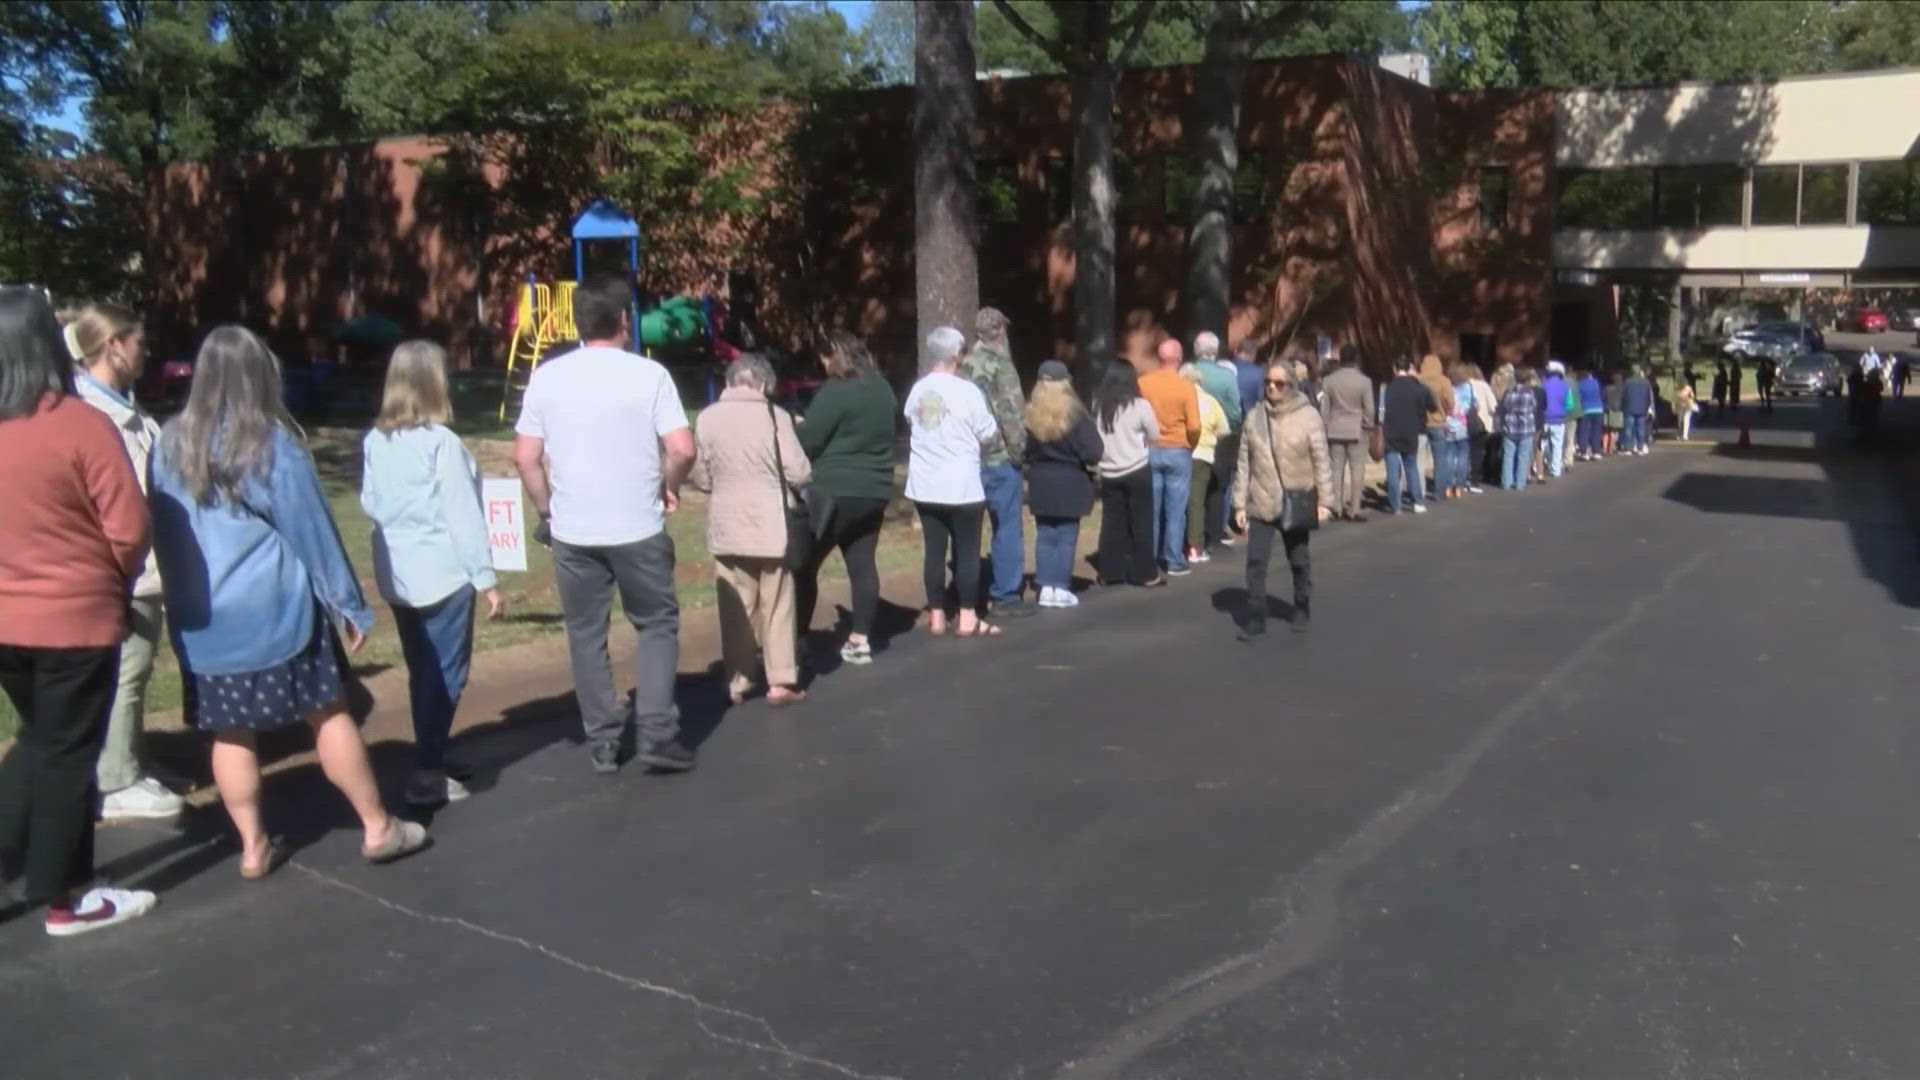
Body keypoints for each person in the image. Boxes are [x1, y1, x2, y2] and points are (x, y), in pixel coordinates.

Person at [151, 325, 429, 881]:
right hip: (275, 611)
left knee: (229, 732)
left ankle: (253, 847)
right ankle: (377, 826)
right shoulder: (269, 443)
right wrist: (348, 603)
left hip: (204, 618)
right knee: (327, 711)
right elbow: (312, 530)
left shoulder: (168, 441)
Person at [0, 288, 156, 935]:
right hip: (76, 621)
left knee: (38, 742)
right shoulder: (82, 425)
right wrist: (109, 579)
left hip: (8, 624)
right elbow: (129, 530)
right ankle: (69, 896)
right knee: (66, 757)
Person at [513, 272, 696, 775]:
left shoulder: (548, 376)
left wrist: (547, 511)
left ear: (576, 324)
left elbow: (525, 457)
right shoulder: (648, 375)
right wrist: (669, 484)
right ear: (624, 321)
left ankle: (603, 740)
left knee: (586, 633)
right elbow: (682, 448)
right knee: (656, 625)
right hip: (637, 521)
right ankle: (658, 732)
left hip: (574, 528)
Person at [360, 340, 503, 808]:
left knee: (423, 669)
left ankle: (433, 751)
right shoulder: (442, 444)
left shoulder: (374, 441)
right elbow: (462, 514)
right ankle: (426, 771)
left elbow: (370, 504)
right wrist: (486, 578)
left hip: (398, 574)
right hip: (442, 573)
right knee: (446, 672)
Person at [63, 302, 185, 822]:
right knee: (125, 674)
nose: (146, 352)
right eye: (139, 342)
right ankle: (116, 782)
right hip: (123, 572)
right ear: (113, 344)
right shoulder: (98, 415)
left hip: (141, 568)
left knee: (134, 670)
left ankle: (131, 761)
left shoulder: (121, 407)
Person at [689, 355, 812, 706]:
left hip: (727, 522)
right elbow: (799, 471)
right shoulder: (777, 417)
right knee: (777, 604)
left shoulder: (707, 418)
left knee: (736, 606)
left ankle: (738, 680)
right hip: (771, 522)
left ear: (730, 382)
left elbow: (700, 474)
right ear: (763, 385)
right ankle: (781, 680)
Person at [795, 331, 896, 667]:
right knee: (862, 562)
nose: (823, 367)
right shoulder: (883, 388)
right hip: (876, 488)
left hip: (834, 489)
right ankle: (861, 639)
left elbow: (809, 440)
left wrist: (797, 426)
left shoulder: (836, 390)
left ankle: (798, 638)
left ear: (834, 357)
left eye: (824, 360)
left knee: (804, 564)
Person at [905, 326, 1002, 637]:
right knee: (967, 550)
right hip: (961, 484)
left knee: (934, 550)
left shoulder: (918, 390)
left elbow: (911, 419)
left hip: (925, 483)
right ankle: (967, 614)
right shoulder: (967, 391)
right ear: (956, 356)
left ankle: (936, 614)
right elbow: (988, 432)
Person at [1232, 359, 1333, 640]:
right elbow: (1244, 462)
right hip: (1262, 499)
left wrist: (1325, 501)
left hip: (1296, 499)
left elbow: (1321, 461)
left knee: (1298, 559)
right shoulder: (1255, 417)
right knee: (1255, 562)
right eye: (1268, 383)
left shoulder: (1308, 416)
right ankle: (1256, 614)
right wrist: (1240, 503)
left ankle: (1302, 603)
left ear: (1291, 386)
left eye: (1278, 384)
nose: (1272, 388)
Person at [958, 307, 1032, 618]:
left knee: (966, 530)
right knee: (1006, 527)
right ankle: (1006, 594)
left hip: (967, 459)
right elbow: (1011, 415)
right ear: (1000, 331)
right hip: (999, 458)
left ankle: (965, 594)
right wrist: (1020, 454)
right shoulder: (1001, 366)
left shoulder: (963, 366)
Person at [1024, 361, 1103, 608]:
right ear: (1065, 383)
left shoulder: (1029, 415)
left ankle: (1046, 586)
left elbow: (1023, 451)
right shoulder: (1076, 415)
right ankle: (1061, 587)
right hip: (1070, 481)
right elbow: (1094, 451)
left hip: (1041, 481)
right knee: (1066, 535)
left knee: (1045, 534)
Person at [1093, 360, 1163, 587]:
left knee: (1112, 523)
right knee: (1141, 523)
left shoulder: (1098, 405)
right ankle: (1145, 573)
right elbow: (1154, 434)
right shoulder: (1139, 405)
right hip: (1137, 469)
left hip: (1109, 471)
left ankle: (1109, 572)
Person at [1140, 339, 1201, 575]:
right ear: (1179, 358)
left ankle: (1150, 557)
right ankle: (1174, 559)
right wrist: (1189, 445)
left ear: (1158, 356)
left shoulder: (1143, 383)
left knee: (1152, 509)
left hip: (1151, 448)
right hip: (1178, 449)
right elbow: (1194, 425)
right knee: (1176, 510)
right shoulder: (1185, 387)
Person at [1193, 332, 1244, 547]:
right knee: (1218, 486)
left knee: (1194, 486)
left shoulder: (1186, 373)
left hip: (1192, 433)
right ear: (1215, 351)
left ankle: (1192, 535)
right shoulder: (1227, 376)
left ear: (1196, 349)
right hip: (1222, 436)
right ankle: (1213, 535)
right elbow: (1235, 410)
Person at [1180, 361, 1231, 564]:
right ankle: (1195, 546)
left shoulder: (1179, 398)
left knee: (1177, 502)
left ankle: (1175, 544)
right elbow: (1224, 429)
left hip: (1180, 451)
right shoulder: (1210, 401)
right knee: (1196, 503)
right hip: (1202, 454)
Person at [1321, 344, 1375, 521]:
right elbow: (1369, 409)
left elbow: (1325, 409)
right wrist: (1368, 424)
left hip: (1335, 428)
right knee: (1357, 470)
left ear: (1341, 359)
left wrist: (1325, 426)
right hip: (1357, 429)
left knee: (1336, 470)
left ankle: (1336, 507)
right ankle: (1354, 509)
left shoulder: (1329, 381)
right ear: (1355, 359)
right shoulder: (1364, 381)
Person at [1381, 355, 1434, 514]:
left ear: (1395, 369)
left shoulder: (1387, 388)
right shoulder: (1418, 388)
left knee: (1392, 470)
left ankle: (1396, 505)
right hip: (1411, 431)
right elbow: (1431, 405)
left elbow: (1380, 413)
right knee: (1411, 468)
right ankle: (1418, 502)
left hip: (1391, 431)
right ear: (1409, 368)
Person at [1417, 354, 1456, 500]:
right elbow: (1451, 403)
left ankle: (1419, 490)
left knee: (1418, 459)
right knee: (1440, 459)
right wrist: (1444, 409)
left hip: (1420, 423)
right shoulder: (1443, 381)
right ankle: (1439, 491)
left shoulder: (1418, 380)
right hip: (1438, 423)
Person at [1497, 366, 1541, 491]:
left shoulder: (1509, 392)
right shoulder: (1530, 393)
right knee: (1523, 456)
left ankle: (1506, 482)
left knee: (1508, 456)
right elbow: (1533, 408)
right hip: (1526, 427)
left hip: (1510, 426)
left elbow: (1504, 407)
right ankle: (1520, 483)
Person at [1452, 362, 1491, 495]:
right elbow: (1484, 405)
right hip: (1474, 423)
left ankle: (1453, 482)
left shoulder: (1452, 386)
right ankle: (1469, 482)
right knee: (1475, 453)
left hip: (1454, 423)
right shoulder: (1476, 386)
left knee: (1455, 454)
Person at [1540, 361, 1570, 479]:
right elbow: (1569, 405)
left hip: (1545, 419)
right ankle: (1556, 469)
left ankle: (1538, 468)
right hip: (1559, 420)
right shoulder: (1565, 386)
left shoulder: (1543, 385)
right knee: (1558, 446)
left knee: (1541, 445)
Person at [1621, 365, 1655, 455]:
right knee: (1641, 429)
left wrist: (1623, 406)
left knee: (1629, 429)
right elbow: (1648, 396)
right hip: (1642, 408)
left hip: (1629, 408)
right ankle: (1640, 448)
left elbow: (1624, 396)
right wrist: (1647, 407)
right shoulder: (1646, 382)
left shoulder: (1627, 382)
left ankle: (1629, 448)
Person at [1576, 366, 1605, 461]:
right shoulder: (1596, 383)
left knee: (1584, 431)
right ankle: (1596, 452)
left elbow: (1579, 397)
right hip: (1598, 408)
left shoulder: (1580, 384)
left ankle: (1584, 452)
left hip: (1586, 409)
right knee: (1596, 432)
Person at [1603, 372, 1625, 455]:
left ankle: (1605, 449)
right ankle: (1611, 448)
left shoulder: (1607, 388)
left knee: (1605, 431)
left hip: (1607, 410)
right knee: (1613, 431)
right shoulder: (1621, 389)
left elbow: (1603, 398)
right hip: (1617, 410)